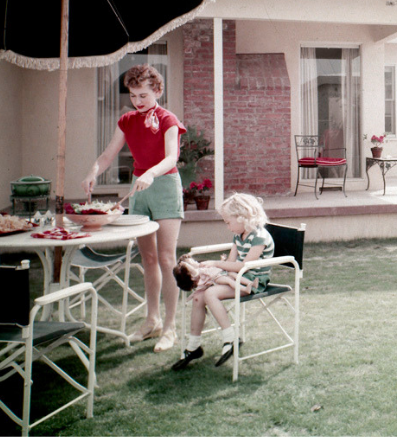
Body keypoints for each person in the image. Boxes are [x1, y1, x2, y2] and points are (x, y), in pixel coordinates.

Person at [82, 64, 186, 353]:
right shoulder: (127, 120)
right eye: (133, 95)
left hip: (163, 187)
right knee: (148, 259)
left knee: (166, 259)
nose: (138, 101)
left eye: (143, 95)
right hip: (139, 189)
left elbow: (171, 157)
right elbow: (106, 155)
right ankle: (151, 319)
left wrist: (151, 173)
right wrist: (93, 171)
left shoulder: (168, 119)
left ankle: (170, 327)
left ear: (157, 90)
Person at [172, 193, 274, 370]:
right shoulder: (238, 235)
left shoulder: (260, 237)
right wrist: (216, 272)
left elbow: (244, 265)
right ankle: (194, 346)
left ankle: (231, 339)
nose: (227, 227)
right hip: (236, 276)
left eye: (228, 222)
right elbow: (231, 263)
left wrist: (215, 264)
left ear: (243, 217)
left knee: (210, 293)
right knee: (198, 296)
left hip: (252, 281)